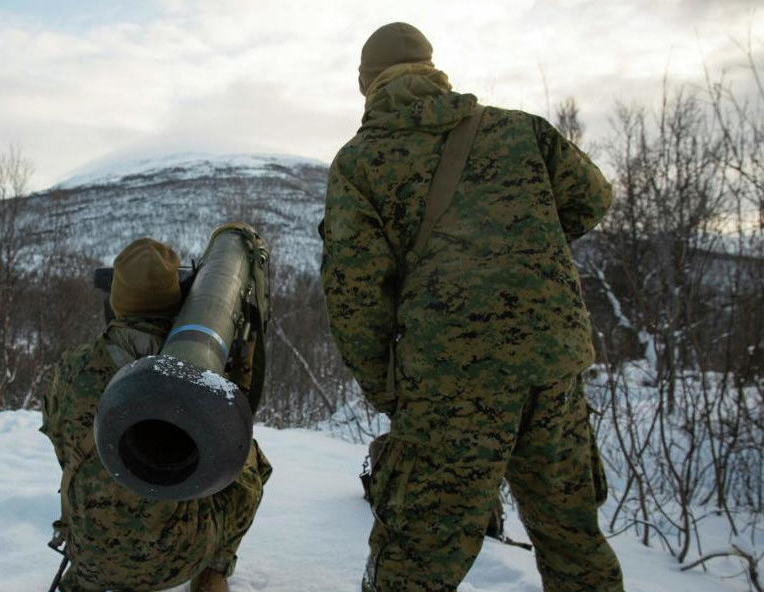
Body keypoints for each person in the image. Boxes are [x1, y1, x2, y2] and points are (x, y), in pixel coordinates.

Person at [319, 22, 625, 592]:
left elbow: (355, 293)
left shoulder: (361, 163)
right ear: (434, 70)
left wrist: (389, 389)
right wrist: (525, 242)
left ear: (367, 84)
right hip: (553, 363)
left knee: (417, 556)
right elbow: (593, 199)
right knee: (573, 539)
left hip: (448, 379)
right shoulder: (520, 130)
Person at [40, 237, 272, 592]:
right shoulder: (199, 367)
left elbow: (59, 440)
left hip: (88, 554)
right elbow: (230, 439)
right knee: (250, 459)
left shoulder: (72, 369)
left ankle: (92, 574)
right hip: (181, 559)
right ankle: (213, 571)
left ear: (116, 300)